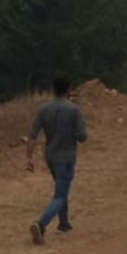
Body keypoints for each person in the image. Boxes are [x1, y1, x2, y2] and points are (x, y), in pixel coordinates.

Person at [25, 75, 88, 245]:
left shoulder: (44, 109)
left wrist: (29, 158)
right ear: (68, 90)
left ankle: (64, 223)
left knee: (61, 188)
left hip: (50, 156)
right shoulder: (74, 110)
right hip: (66, 157)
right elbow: (82, 137)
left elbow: (32, 134)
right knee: (60, 195)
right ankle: (41, 224)